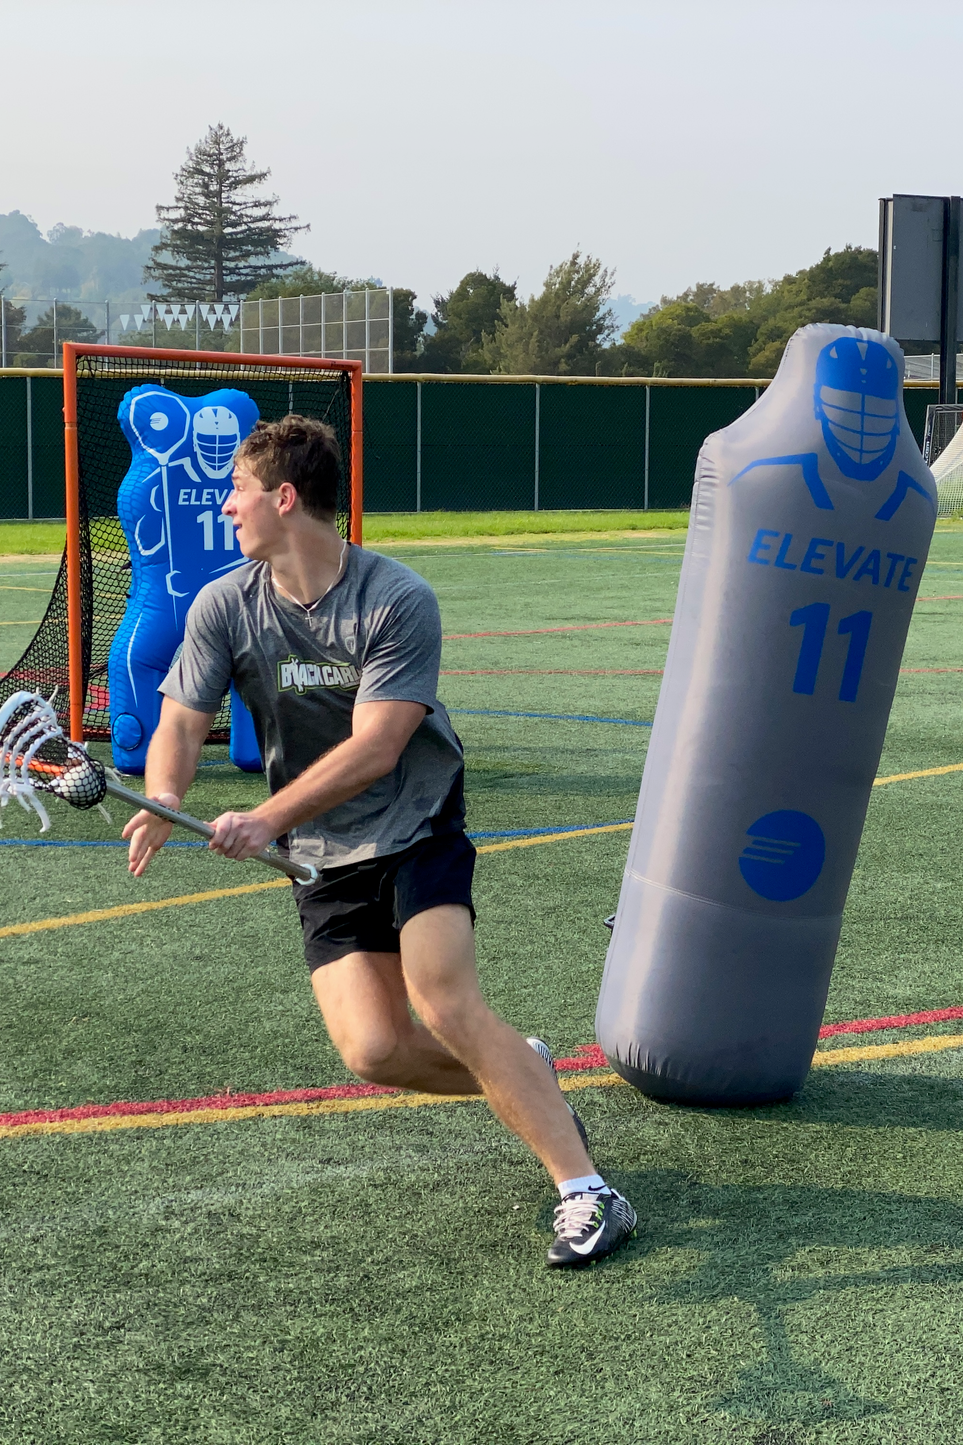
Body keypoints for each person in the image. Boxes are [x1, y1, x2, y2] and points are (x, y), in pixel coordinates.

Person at [122, 414, 638, 1268]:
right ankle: (525, 1068)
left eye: (238, 491)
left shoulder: (396, 598)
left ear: (284, 498)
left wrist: (266, 816)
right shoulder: (225, 603)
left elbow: (379, 745)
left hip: (414, 824)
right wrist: (166, 794)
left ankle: (588, 1192)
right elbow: (182, 715)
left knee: (443, 1003)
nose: (226, 508)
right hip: (319, 854)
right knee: (373, 1049)